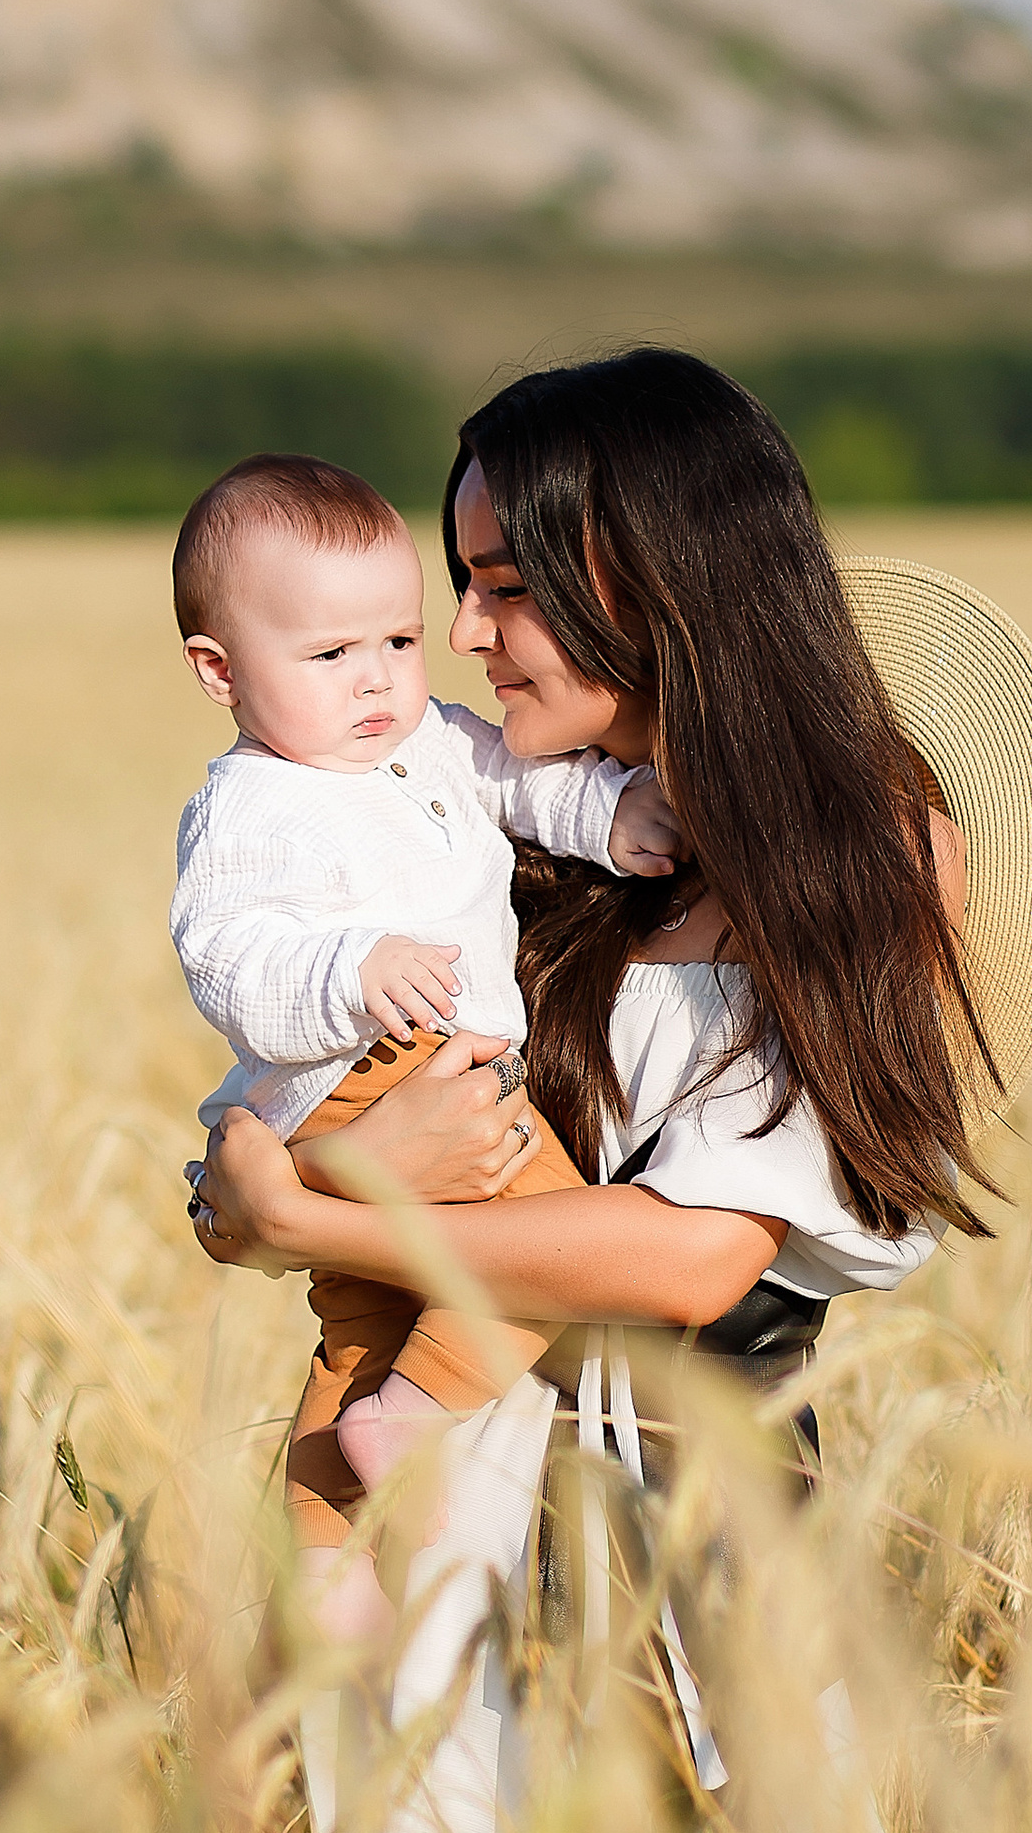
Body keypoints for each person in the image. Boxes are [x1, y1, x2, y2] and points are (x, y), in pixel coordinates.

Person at [193, 351, 987, 1471]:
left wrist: (309, 1220)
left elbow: (698, 1256)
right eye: (463, 586)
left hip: (690, 1545)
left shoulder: (877, 863)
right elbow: (265, 1170)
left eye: (507, 587)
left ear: (662, 582)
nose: (464, 633)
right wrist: (326, 1173)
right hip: (434, 1510)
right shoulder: (497, 833)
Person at [169, 450, 682, 1631]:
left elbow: (519, 783)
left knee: (355, 1329)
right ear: (219, 672)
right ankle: (411, 1416)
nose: (378, 681)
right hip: (383, 1078)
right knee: (543, 1248)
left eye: (396, 643)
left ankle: (320, 1559)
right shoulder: (251, 803)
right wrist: (350, 974)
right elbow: (226, 959)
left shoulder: (431, 744)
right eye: (330, 655)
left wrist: (612, 814)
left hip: (416, 1084)